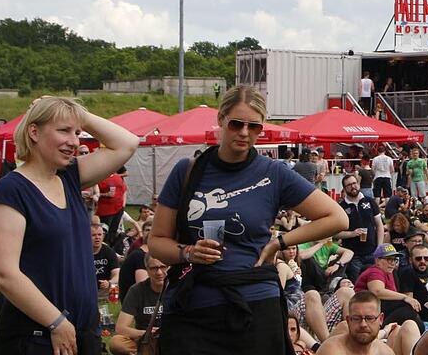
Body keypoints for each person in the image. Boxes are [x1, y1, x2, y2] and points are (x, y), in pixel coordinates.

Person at [149, 85, 347, 355]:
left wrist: (279, 242)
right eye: (236, 124)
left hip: (255, 304)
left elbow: (337, 218)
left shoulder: (273, 173)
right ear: (221, 119)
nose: (244, 133)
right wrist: (188, 252)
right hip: (194, 306)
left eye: (254, 127)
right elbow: (157, 242)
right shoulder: (187, 171)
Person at [0, 96, 138, 355]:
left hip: (81, 332)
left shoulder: (68, 177)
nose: (75, 141)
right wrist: (55, 321)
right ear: (34, 131)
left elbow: (127, 143)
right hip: (36, 337)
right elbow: (3, 272)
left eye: (77, 132)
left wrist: (77, 113)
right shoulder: (12, 190)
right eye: (64, 130)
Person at [318, 290, 420, 355]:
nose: (363, 324)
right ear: (348, 321)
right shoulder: (332, 350)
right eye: (357, 318)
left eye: (369, 318)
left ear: (380, 319)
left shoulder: (385, 352)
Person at [353, 244, 423, 329]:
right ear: (377, 260)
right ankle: (381, 329)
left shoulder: (390, 273)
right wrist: (405, 297)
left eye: (394, 260)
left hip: (377, 308)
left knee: (409, 311)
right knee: (407, 310)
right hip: (365, 308)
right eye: (389, 259)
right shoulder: (375, 271)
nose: (392, 263)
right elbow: (377, 291)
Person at [110, 254, 168, 355]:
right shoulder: (136, 290)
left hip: (170, 337)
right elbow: (120, 328)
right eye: (154, 268)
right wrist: (146, 333)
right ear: (147, 270)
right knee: (116, 343)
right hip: (144, 339)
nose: (159, 272)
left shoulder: (176, 289)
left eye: (163, 267)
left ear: (169, 267)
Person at [337, 173, 386, 282]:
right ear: (344, 189)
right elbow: (335, 233)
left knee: (376, 281)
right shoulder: (341, 207)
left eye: (354, 183)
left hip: (372, 252)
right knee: (358, 284)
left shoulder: (369, 201)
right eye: (349, 185)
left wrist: (379, 248)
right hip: (353, 255)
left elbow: (379, 226)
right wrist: (351, 234)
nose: (353, 186)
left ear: (358, 184)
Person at [397, 244, 428, 311]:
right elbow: (409, 301)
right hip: (425, 312)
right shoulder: (408, 273)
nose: (423, 261)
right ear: (410, 260)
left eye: (426, 258)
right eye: (418, 258)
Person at [97, 167, 129, 246]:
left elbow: (124, 190)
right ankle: (102, 247)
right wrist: (105, 194)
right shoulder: (98, 178)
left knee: (113, 231)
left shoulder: (117, 177)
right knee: (104, 231)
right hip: (105, 211)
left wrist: (123, 204)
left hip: (118, 209)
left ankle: (111, 248)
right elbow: (93, 193)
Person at [91, 220, 118, 300]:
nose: (97, 237)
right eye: (93, 235)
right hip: (88, 288)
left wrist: (109, 282)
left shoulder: (109, 251)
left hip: (106, 288)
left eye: (100, 234)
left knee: (115, 285)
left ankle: (113, 302)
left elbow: (117, 273)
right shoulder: (82, 253)